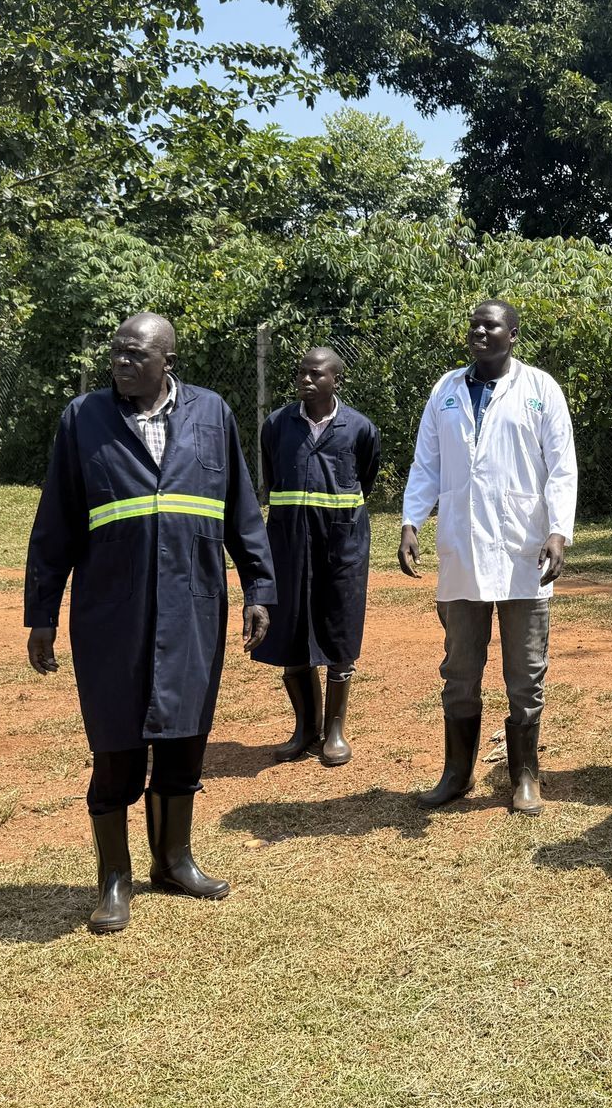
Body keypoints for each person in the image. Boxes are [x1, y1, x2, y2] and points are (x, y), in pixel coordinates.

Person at [24, 312, 278, 935]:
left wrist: (258, 587)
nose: (121, 362)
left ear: (168, 361)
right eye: (116, 353)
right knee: (115, 745)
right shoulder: (83, 419)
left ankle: (174, 860)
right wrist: (41, 615)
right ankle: (114, 878)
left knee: (185, 735)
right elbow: (55, 523)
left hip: (192, 603)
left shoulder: (211, 414)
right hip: (112, 609)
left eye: (135, 354)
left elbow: (242, 509)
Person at [399, 300, 577, 815]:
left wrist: (558, 531)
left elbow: (562, 466)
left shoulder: (540, 390)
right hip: (461, 551)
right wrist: (412, 520)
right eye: (474, 324)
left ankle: (524, 776)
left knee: (525, 671)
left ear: (513, 334)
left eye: (491, 324)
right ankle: (457, 773)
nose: (479, 330)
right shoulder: (446, 390)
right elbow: (426, 462)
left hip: (526, 551)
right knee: (459, 668)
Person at [253, 346, 380, 767]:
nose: (306, 380)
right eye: (301, 373)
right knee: (289, 627)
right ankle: (305, 727)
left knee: (338, 625)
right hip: (287, 543)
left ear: (335, 380)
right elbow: (273, 480)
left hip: (340, 543)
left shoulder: (359, 428)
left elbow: (366, 477)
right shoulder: (276, 425)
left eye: (316, 374)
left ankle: (335, 730)